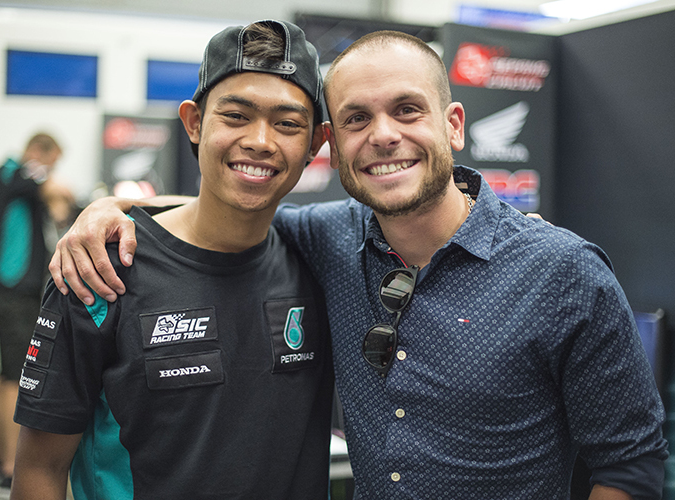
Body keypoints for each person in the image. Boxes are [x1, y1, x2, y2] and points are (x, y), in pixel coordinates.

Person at [49, 31, 668, 499]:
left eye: (407, 110)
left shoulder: (564, 275)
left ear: (453, 125)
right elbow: (232, 207)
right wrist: (112, 207)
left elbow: (631, 466)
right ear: (332, 146)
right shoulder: (328, 238)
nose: (383, 135)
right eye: (356, 119)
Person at [10, 20, 333, 500]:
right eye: (236, 116)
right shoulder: (100, 267)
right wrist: (113, 208)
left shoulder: (323, 262)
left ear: (315, 144)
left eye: (287, 124)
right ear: (194, 123)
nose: (261, 141)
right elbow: (40, 470)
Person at [0, 132, 75, 491]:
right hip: (12, 293)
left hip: (7, 291)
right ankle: (10, 465)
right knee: (14, 378)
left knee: (2, 375)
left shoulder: (18, 182)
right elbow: (56, 190)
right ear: (39, 153)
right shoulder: (13, 174)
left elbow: (58, 206)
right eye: (52, 161)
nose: (51, 170)